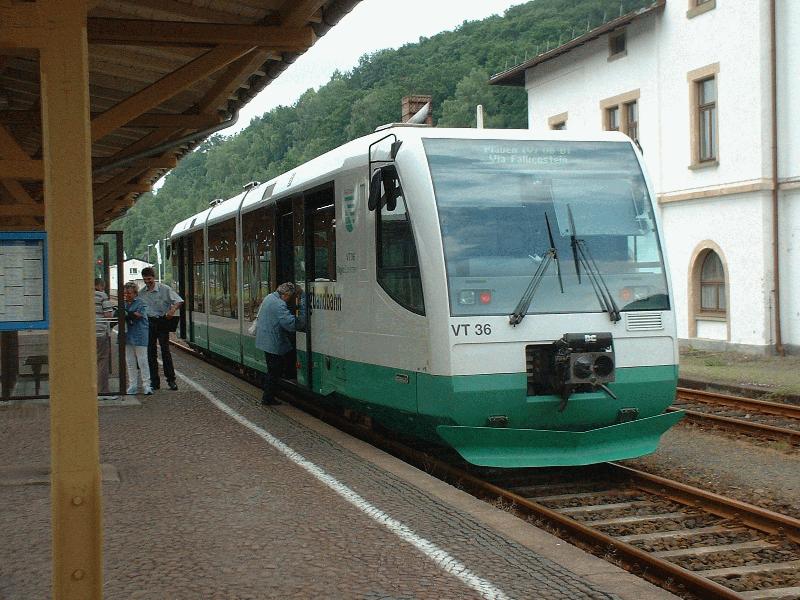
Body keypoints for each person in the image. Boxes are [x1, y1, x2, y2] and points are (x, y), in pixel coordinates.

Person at [255, 282, 304, 406]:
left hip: (266, 339)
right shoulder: (279, 304)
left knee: (276, 367)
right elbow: (289, 323)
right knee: (274, 371)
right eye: (290, 297)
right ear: (286, 294)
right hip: (272, 341)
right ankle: (267, 399)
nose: (289, 300)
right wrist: (302, 320)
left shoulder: (270, 297)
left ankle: (273, 393)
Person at [139, 266, 183, 391]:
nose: (147, 282)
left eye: (149, 279)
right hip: (149, 323)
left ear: (154, 278)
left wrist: (172, 310)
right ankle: (154, 381)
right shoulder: (142, 293)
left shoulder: (164, 289)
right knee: (150, 352)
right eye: (145, 280)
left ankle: (171, 380)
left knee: (165, 351)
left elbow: (178, 301)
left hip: (162, 321)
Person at [123, 282, 152, 395]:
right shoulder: (124, 304)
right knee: (130, 361)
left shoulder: (141, 303)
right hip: (127, 335)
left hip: (139, 334)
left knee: (142, 360)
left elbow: (139, 315)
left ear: (135, 293)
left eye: (129, 293)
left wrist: (128, 314)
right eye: (125, 293)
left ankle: (146, 385)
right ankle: (133, 385)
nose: (127, 295)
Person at [94, 278, 113, 395]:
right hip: (100, 332)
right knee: (102, 360)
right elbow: (108, 315)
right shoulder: (102, 296)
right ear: (101, 286)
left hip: (87, 334)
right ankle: (103, 390)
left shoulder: (84, 295)